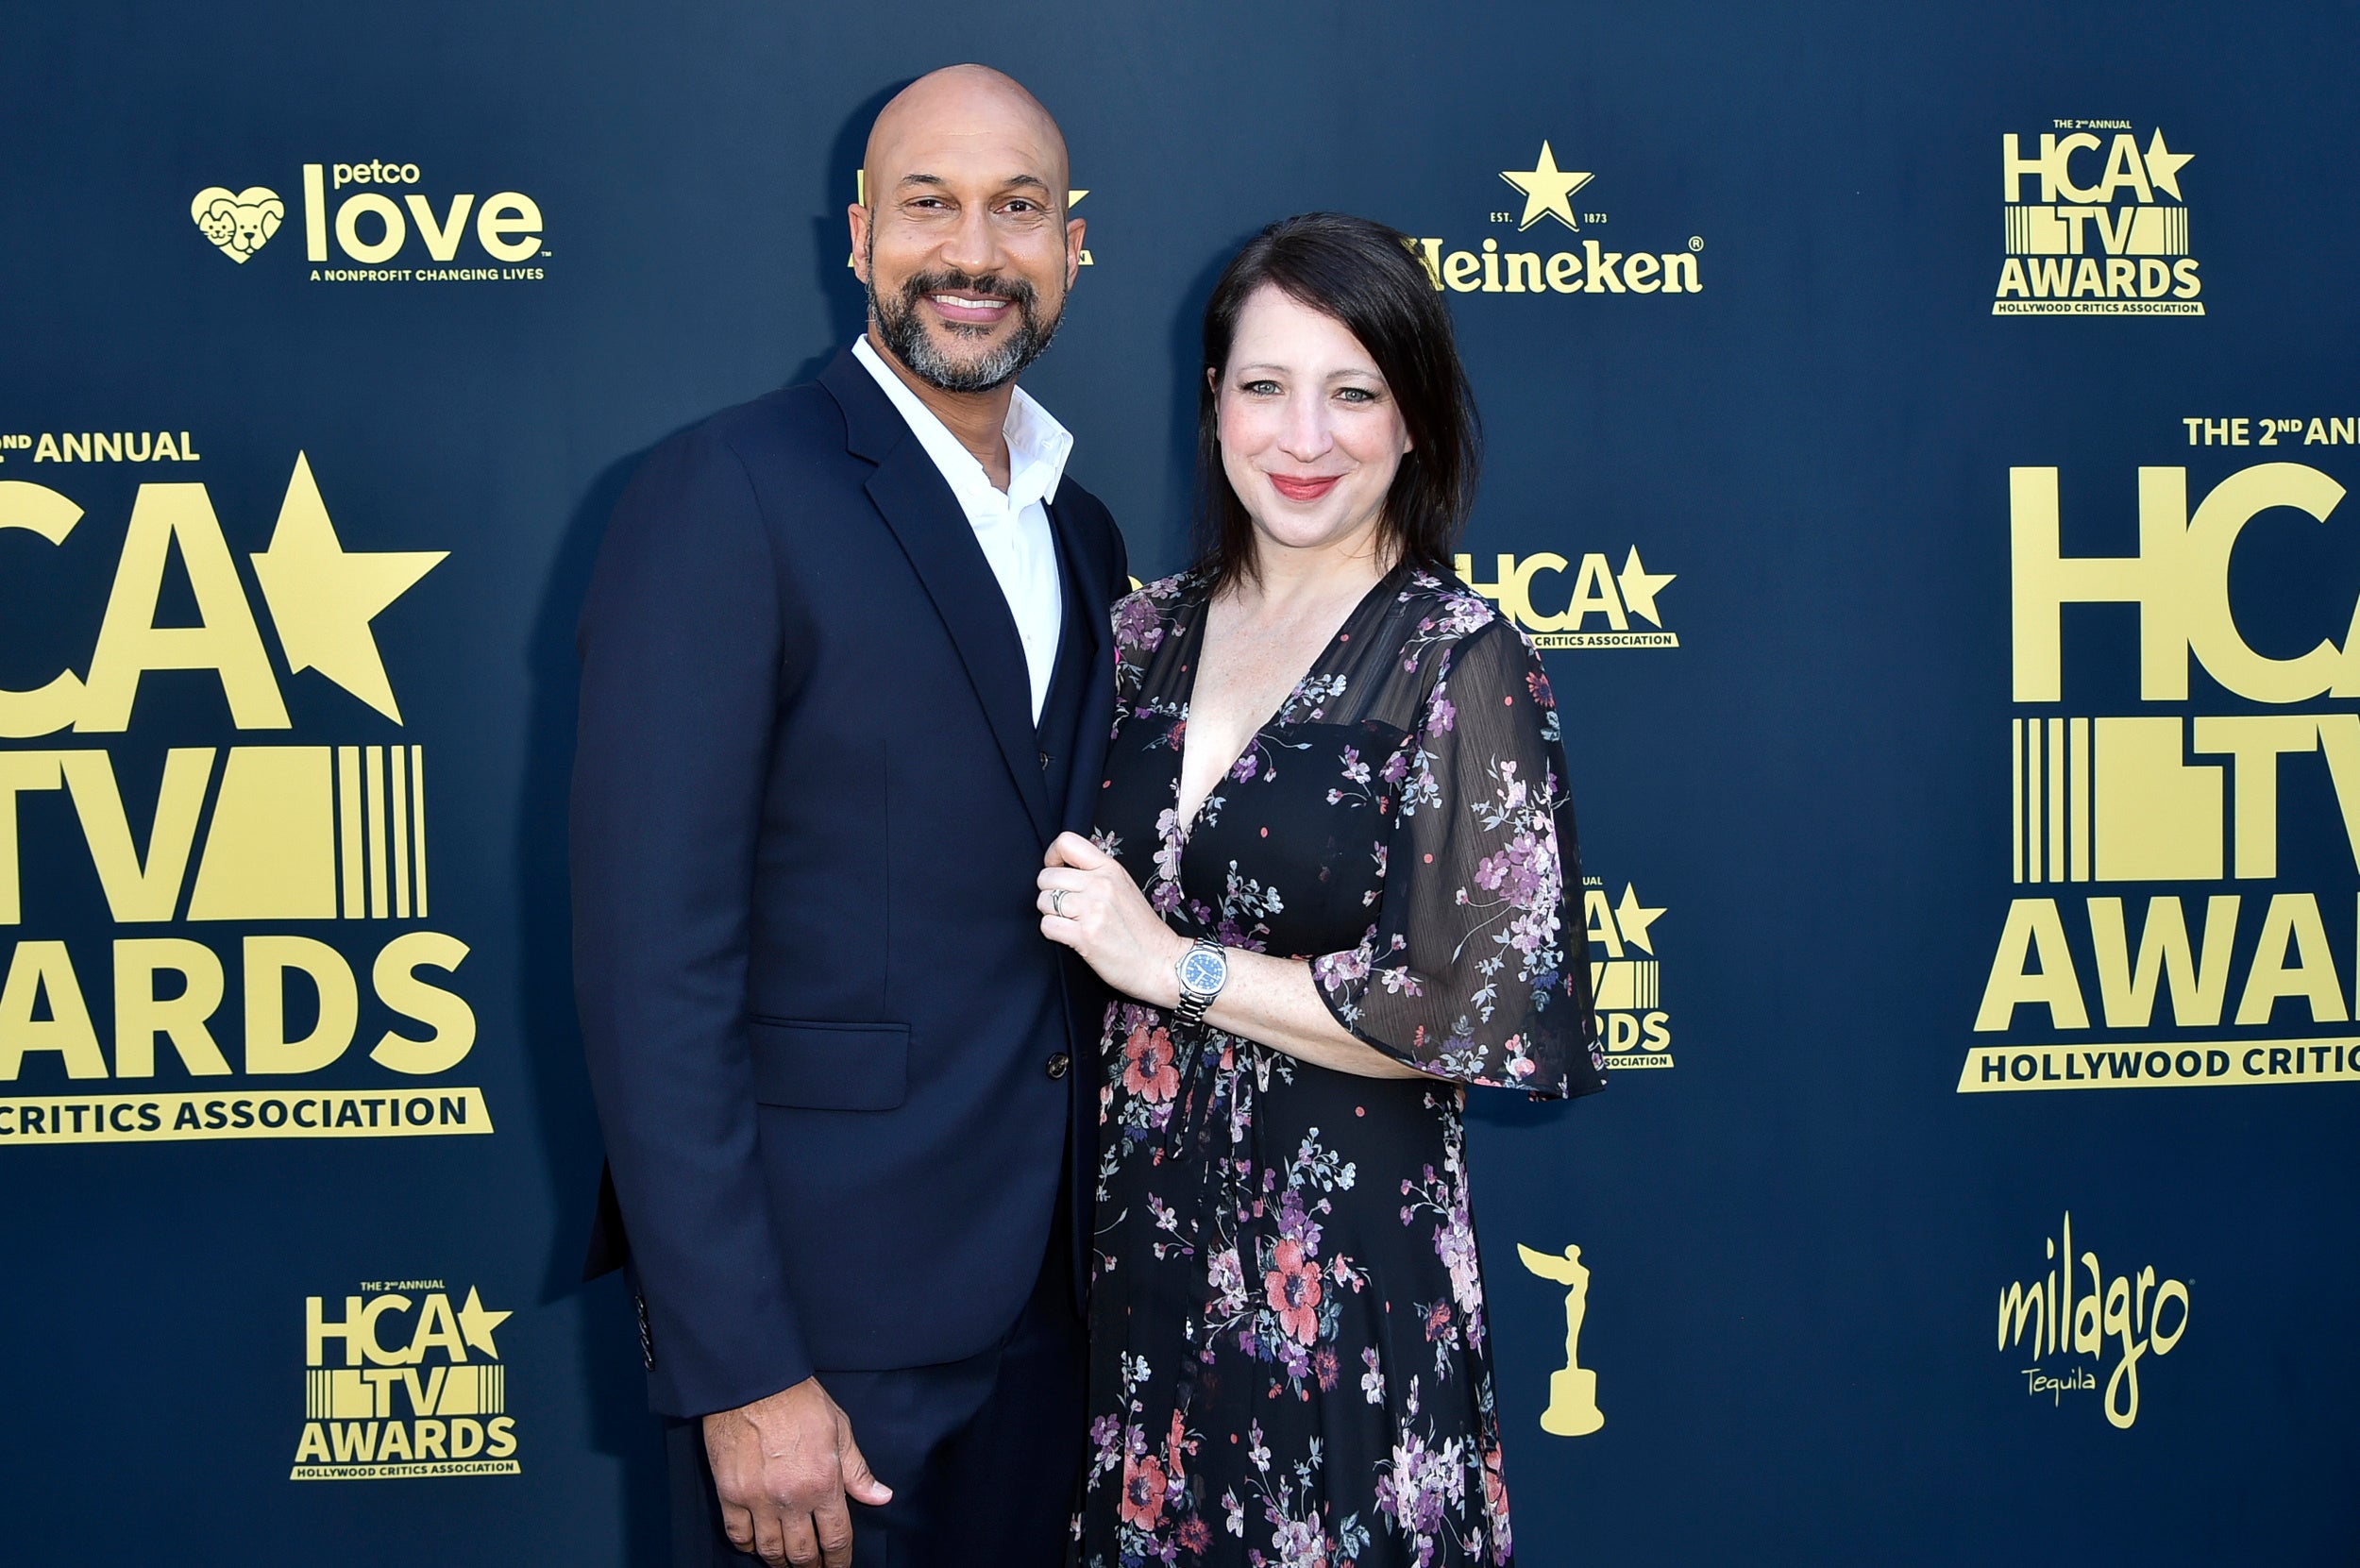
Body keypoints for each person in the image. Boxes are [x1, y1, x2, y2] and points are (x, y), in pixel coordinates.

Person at [571, 65, 1127, 1568]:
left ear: (1074, 244)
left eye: (1016, 207)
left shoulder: (1084, 528)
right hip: (818, 1342)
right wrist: (740, 1363)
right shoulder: (726, 491)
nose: (973, 250)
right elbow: (651, 965)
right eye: (928, 205)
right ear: (859, 238)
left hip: (1057, 1316)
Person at [1036, 213, 1608, 1567]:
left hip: (1341, 1296)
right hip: (1136, 1285)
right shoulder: (1138, 630)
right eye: (1266, 386)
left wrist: (1170, 961)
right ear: (1213, 402)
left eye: (1354, 390)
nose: (1306, 436)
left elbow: (1476, 1007)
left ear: (1413, 420)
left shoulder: (1458, 660)